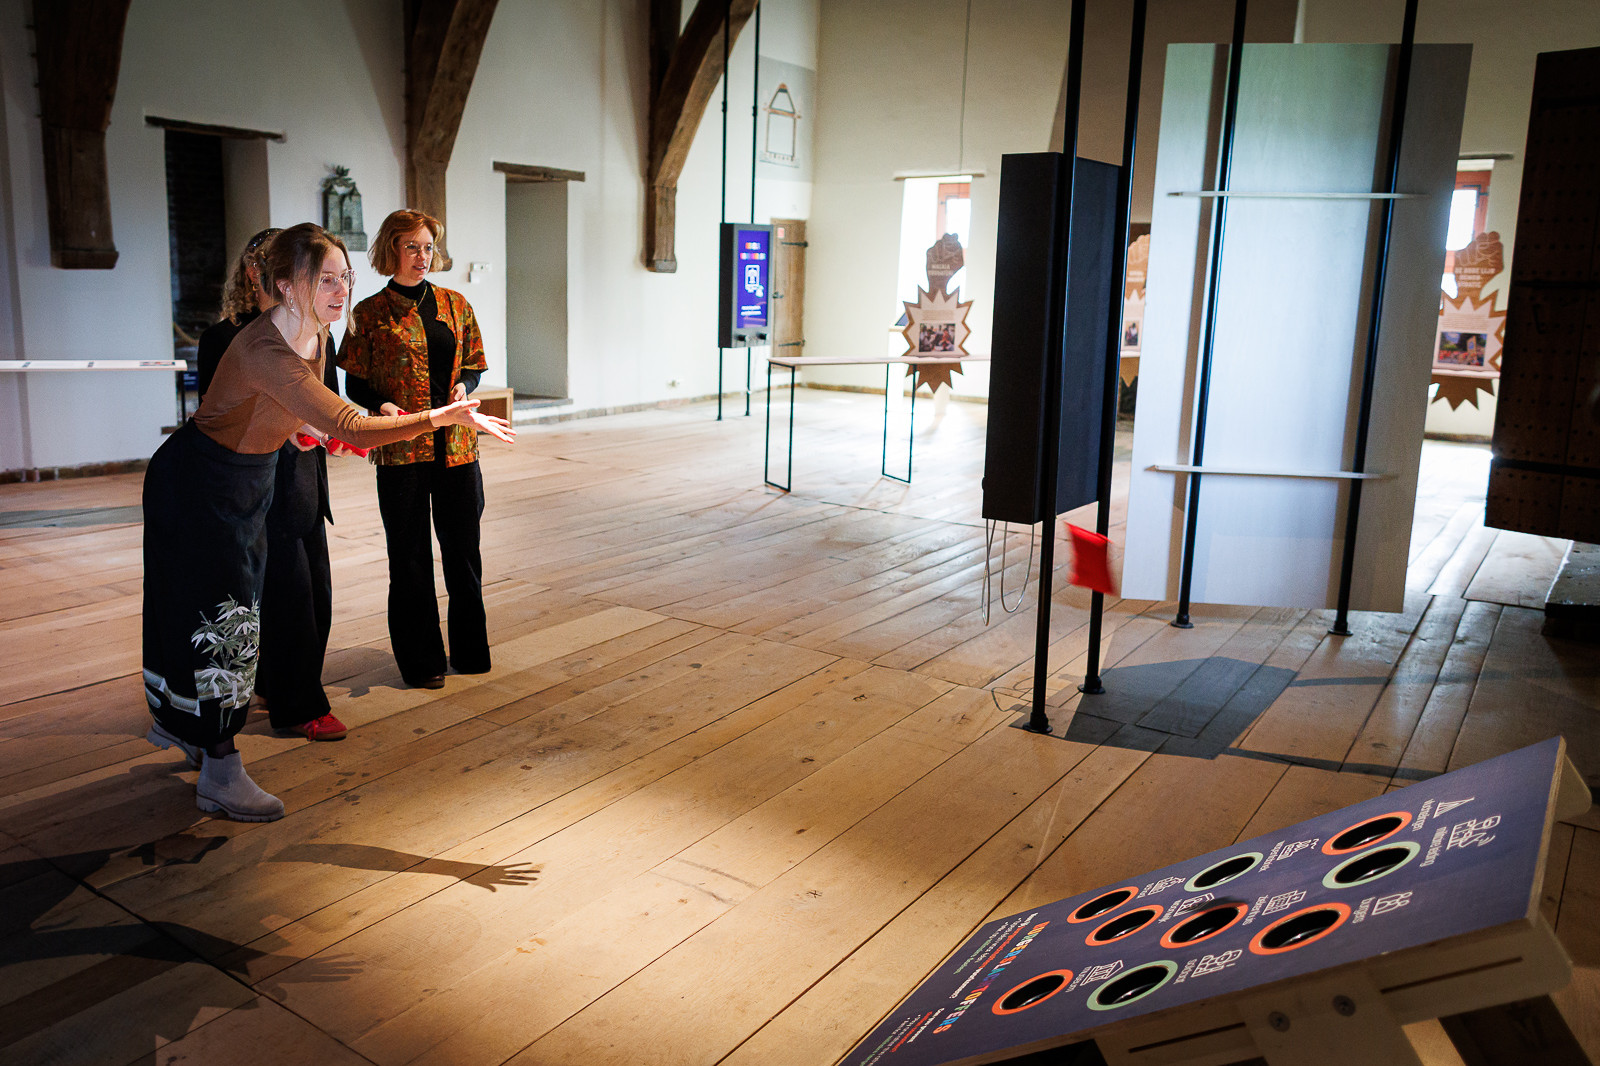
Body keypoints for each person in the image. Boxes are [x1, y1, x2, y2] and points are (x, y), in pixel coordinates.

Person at [143, 223, 515, 822]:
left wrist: (307, 430)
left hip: (247, 480)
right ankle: (219, 768)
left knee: (231, 612)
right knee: (222, 619)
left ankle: (195, 732)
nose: (341, 291)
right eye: (325, 280)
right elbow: (351, 424)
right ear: (286, 285)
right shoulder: (266, 349)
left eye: (346, 278)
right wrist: (442, 416)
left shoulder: (314, 336)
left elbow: (298, 416)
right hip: (199, 485)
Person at [197, 229, 346, 744]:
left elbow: (329, 405)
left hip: (304, 481)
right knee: (286, 597)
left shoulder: (317, 334)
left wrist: (325, 434)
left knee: (316, 594)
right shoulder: (228, 339)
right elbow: (225, 420)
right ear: (263, 275)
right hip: (256, 485)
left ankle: (279, 686)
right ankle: (298, 704)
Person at [338, 209, 492, 690]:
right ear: (391, 250)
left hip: (457, 447)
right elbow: (354, 381)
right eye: (411, 247)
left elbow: (474, 364)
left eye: (428, 247)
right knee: (408, 557)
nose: (422, 256)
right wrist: (382, 405)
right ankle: (422, 661)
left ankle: (470, 652)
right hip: (401, 447)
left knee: (463, 552)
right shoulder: (368, 313)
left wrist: (465, 386)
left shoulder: (455, 303)